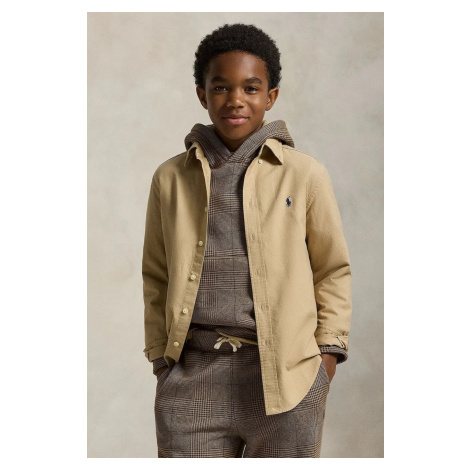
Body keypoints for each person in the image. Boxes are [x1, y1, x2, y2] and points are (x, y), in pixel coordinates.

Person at [142, 23, 352, 458]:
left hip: (287, 379)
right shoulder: (170, 178)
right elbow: (156, 274)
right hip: (193, 376)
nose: (235, 99)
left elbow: (331, 269)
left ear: (270, 97)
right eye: (220, 87)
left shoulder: (304, 174)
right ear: (202, 95)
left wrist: (326, 358)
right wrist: (162, 358)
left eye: (251, 88)